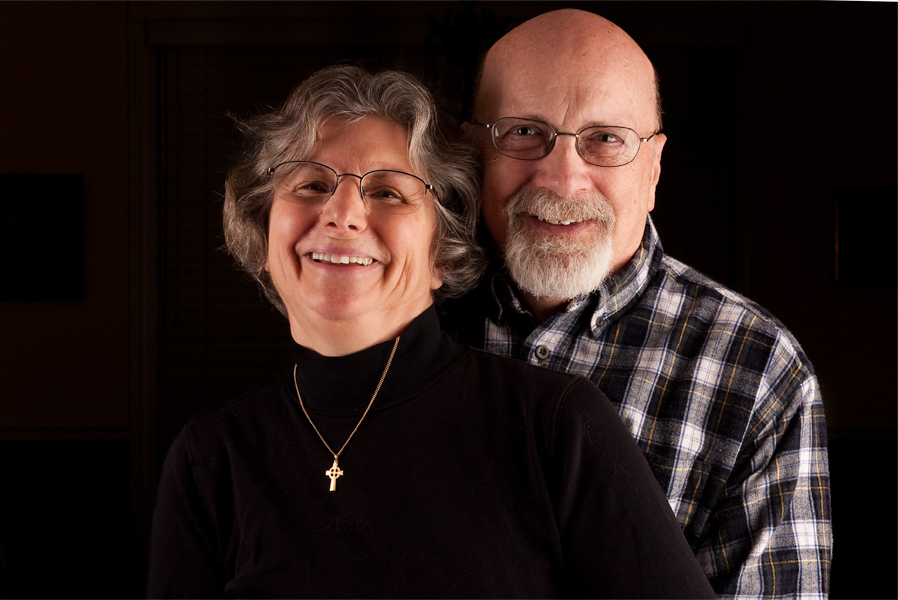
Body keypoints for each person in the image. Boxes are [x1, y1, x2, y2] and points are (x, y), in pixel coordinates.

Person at [146, 64, 715, 598]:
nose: (342, 213)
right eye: (312, 186)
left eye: (388, 191)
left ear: (442, 251)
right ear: (261, 232)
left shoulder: (554, 426)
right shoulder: (209, 461)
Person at [445, 8, 832, 599]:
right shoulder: (403, 322)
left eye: (605, 140)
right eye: (523, 131)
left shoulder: (757, 369)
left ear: (653, 167)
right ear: (472, 151)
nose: (563, 179)